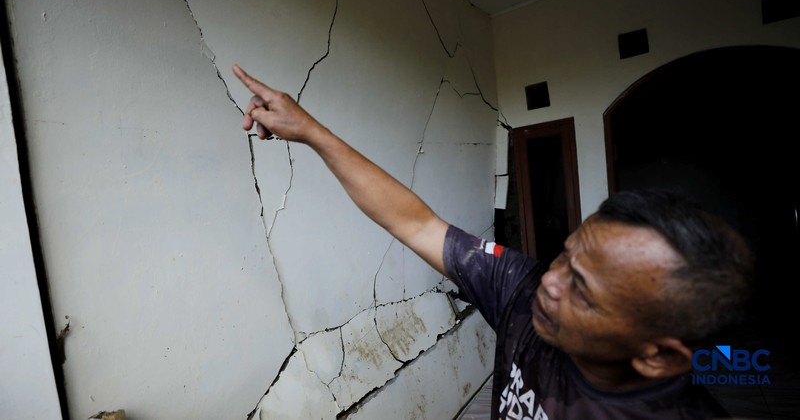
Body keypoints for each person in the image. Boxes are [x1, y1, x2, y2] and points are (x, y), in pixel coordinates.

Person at [231, 65, 756, 419]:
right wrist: (311, 130)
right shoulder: (524, 292)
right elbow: (416, 224)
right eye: (565, 255)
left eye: (582, 290)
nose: (550, 281)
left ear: (658, 357)